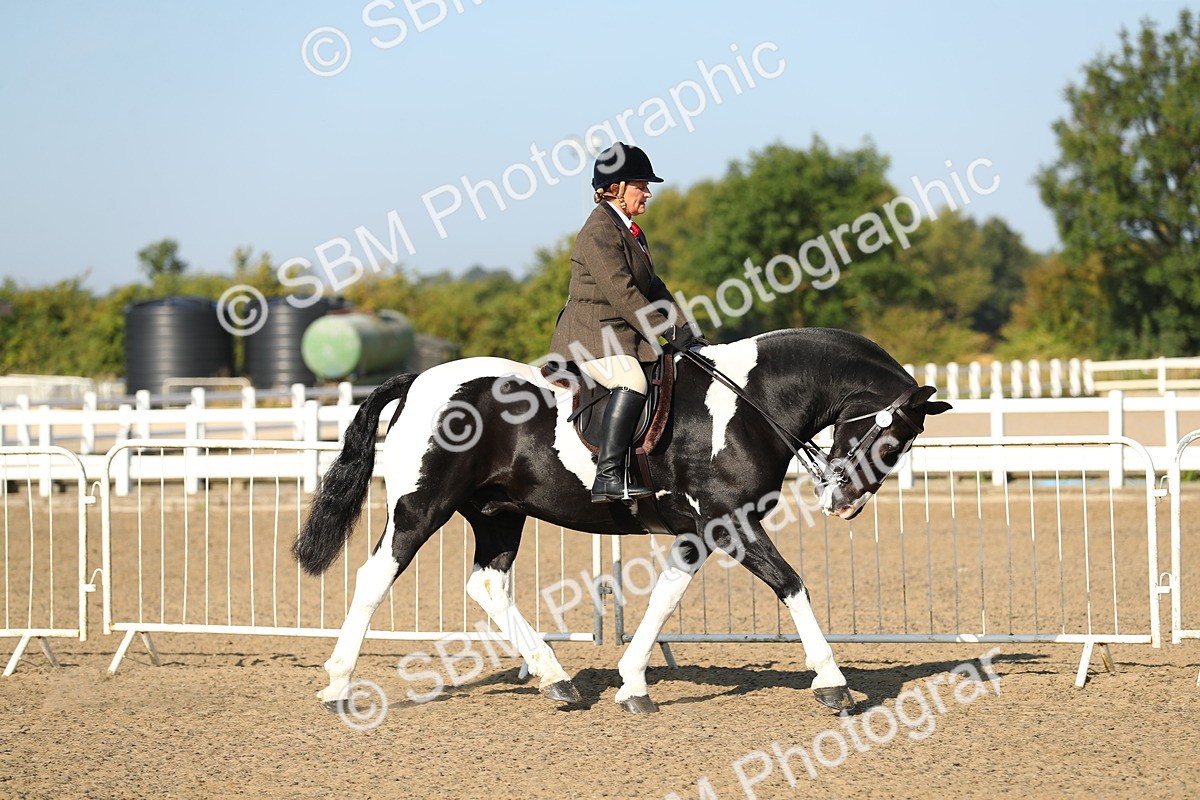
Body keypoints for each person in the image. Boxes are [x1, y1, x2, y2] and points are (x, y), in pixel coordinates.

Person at [549, 142, 703, 503]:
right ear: (616, 188)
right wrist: (667, 332)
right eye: (641, 185)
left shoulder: (630, 231)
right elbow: (624, 294)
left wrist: (689, 333)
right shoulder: (599, 232)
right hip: (590, 336)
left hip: (619, 335)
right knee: (631, 379)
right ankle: (608, 474)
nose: (648, 192)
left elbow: (654, 288)